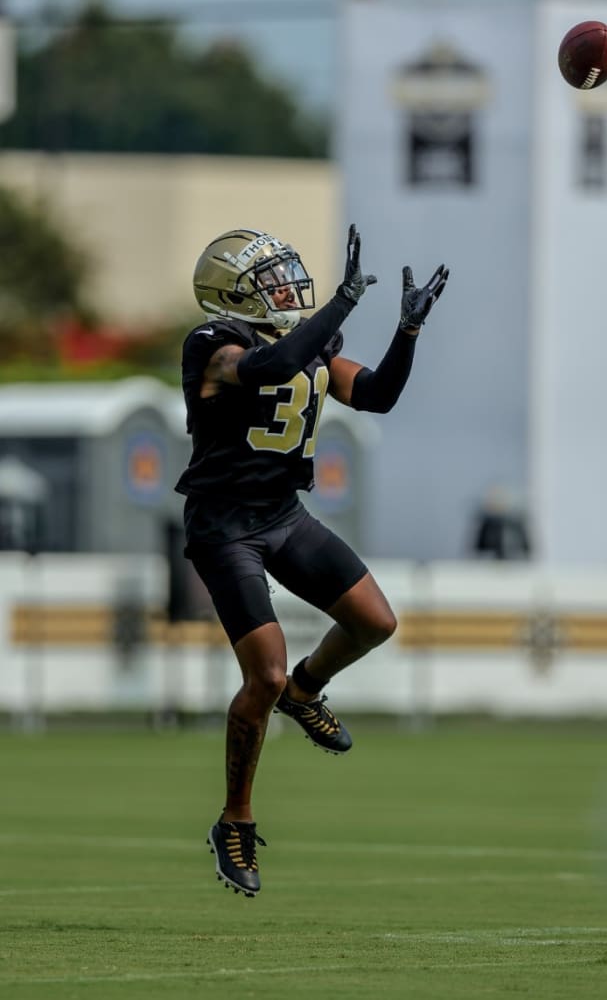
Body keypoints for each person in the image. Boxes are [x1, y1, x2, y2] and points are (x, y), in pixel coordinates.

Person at [175, 223, 449, 897]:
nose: (286, 289)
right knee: (261, 675)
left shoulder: (312, 339)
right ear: (231, 294)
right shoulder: (212, 342)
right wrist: (344, 301)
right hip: (224, 526)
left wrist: (408, 331)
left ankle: (307, 690)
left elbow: (376, 395)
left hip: (282, 515)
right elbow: (267, 368)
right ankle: (235, 819)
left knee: (375, 622)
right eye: (269, 281)